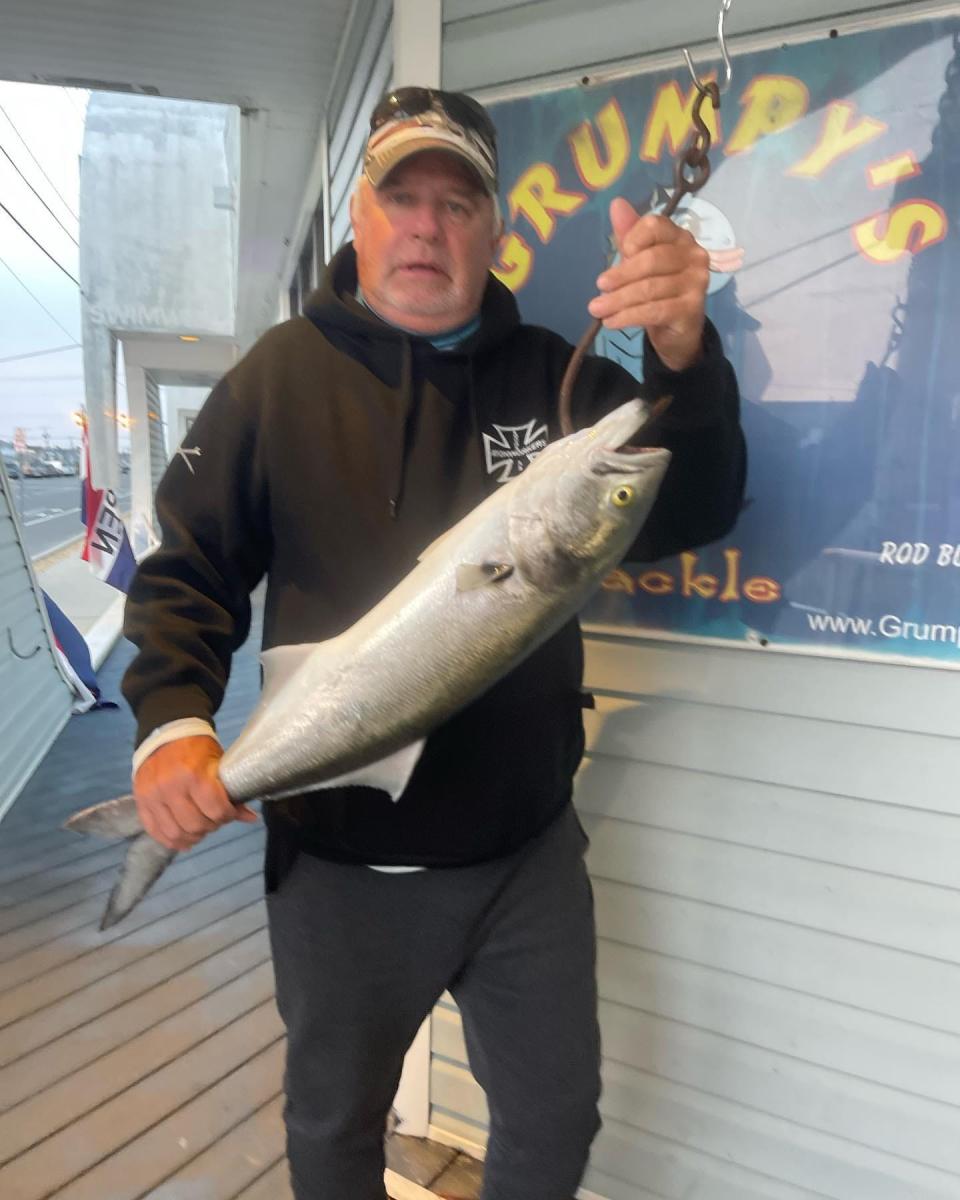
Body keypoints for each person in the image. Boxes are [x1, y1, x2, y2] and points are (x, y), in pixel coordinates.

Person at [121, 87, 746, 1200]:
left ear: (493, 230)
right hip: (340, 865)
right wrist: (173, 721)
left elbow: (693, 503)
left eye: (456, 204)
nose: (425, 226)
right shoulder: (278, 378)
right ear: (357, 217)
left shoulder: (555, 380)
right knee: (332, 1129)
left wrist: (686, 356)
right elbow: (187, 569)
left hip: (527, 853)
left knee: (556, 1121)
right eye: (400, 196)